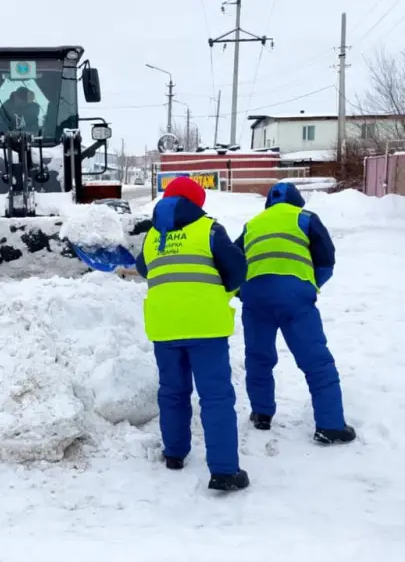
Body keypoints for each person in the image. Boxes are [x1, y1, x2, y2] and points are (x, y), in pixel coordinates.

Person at [134, 176, 249, 491]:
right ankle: (225, 471)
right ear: (197, 203)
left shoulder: (152, 236)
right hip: (206, 326)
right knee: (215, 396)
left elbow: (144, 269)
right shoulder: (209, 230)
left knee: (172, 392)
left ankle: (174, 453)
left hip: (164, 326)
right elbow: (237, 269)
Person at [235, 182, 356, 445]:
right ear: (297, 201)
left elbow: (233, 262)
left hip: (255, 296)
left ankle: (261, 413)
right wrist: (309, 286)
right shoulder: (306, 218)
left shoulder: (252, 224)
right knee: (316, 360)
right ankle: (330, 426)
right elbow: (326, 260)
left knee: (258, 357)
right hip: (294, 296)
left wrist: (242, 291)